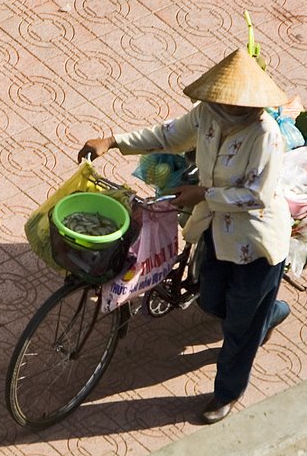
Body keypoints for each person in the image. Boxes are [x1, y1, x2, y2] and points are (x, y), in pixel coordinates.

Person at [77, 48, 292, 424]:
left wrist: (202, 195)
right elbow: (168, 135)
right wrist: (112, 141)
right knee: (211, 302)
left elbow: (255, 195)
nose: (225, 104)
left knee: (239, 331)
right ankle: (270, 313)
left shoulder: (265, 135)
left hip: (255, 242)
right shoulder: (207, 116)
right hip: (215, 231)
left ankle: (226, 393)